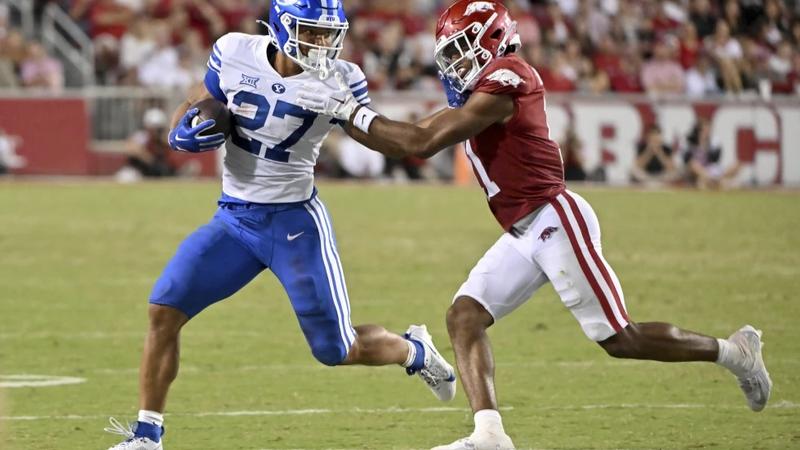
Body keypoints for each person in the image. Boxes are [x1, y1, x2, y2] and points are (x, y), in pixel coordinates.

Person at [296, 1, 773, 449]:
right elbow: (405, 139)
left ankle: (735, 353)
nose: (454, 64)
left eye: (462, 49)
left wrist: (346, 108)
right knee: (465, 316)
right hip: (524, 231)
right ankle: (490, 435)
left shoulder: (509, 76)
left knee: (619, 338)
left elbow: (421, 143)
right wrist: (339, 114)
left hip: (554, 217)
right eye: (450, 54)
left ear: (494, 39)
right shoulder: (480, 93)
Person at [104, 1, 456, 449]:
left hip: (295, 224)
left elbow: (384, 141)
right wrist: (180, 131)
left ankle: (414, 350)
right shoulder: (234, 51)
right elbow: (196, 101)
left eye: (331, 34)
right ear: (281, 27)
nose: (324, 43)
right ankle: (147, 436)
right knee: (164, 309)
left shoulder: (340, 77)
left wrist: (349, 110)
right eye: (313, 31)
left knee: (336, 349)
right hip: (234, 219)